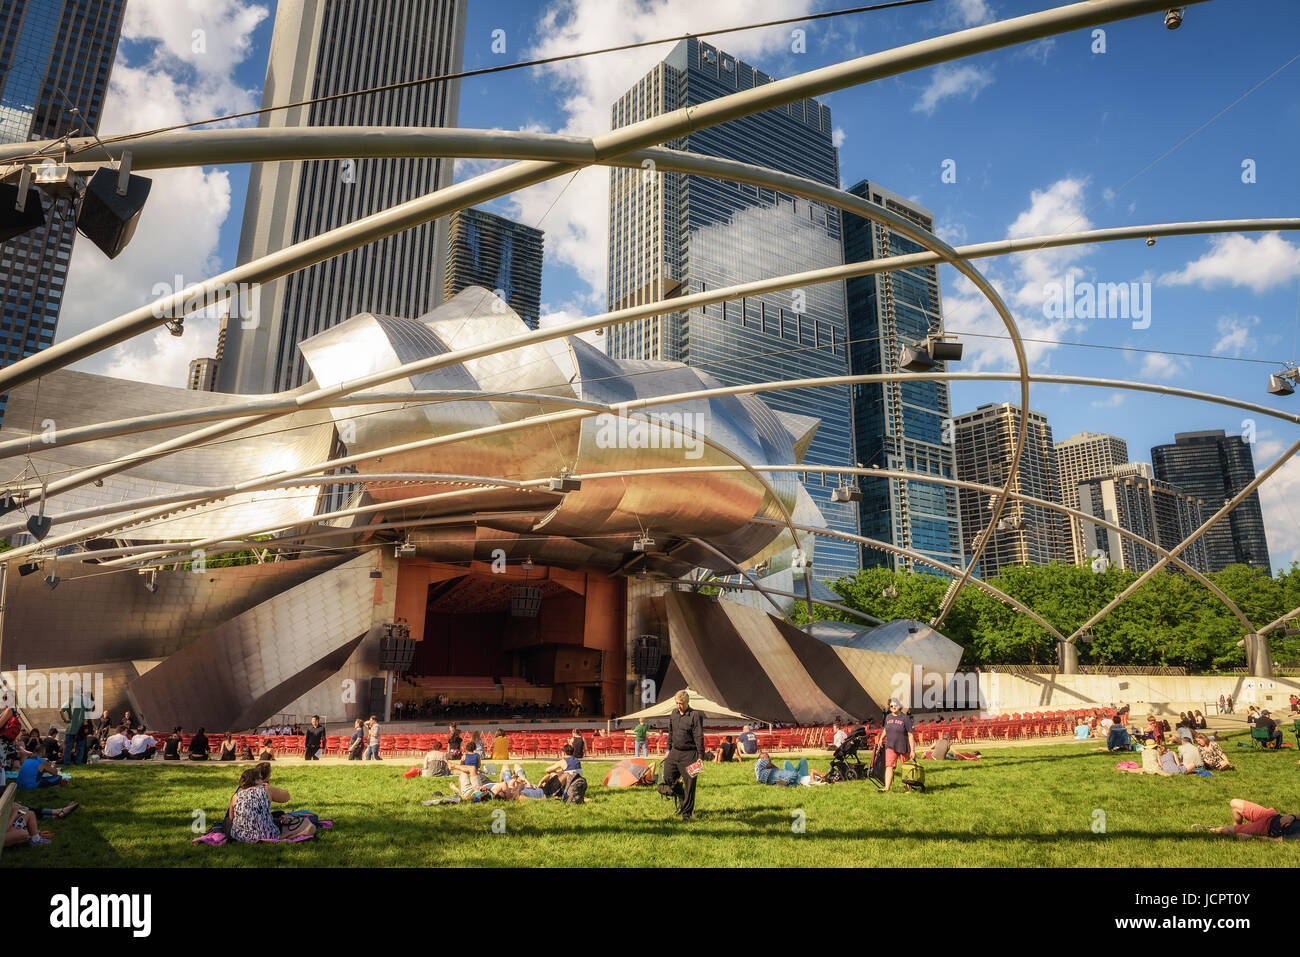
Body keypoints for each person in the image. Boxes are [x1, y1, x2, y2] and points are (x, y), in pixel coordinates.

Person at [658, 690, 705, 821]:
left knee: (690, 784)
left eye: (681, 703)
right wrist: (668, 750)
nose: (679, 706)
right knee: (667, 777)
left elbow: (699, 736)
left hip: (691, 753)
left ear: (687, 702)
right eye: (677, 703)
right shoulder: (673, 713)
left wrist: (701, 756)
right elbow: (671, 733)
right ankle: (683, 800)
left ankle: (686, 814)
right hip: (675, 751)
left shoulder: (695, 715)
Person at [228, 765, 292, 843]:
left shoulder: (236, 796)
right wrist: (270, 788)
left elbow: (231, 817)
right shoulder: (266, 789)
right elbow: (286, 797)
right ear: (256, 780)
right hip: (268, 834)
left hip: (242, 837)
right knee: (278, 817)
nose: (263, 781)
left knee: (227, 821)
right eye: (261, 778)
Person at [1194, 799, 1300, 841]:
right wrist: (1292, 816)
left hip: (1266, 828)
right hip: (1271, 815)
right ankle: (1236, 828)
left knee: (1224, 830)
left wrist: (1251, 837)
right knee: (1234, 803)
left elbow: (1278, 840)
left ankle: (1209, 829)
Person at [879, 698, 916, 793]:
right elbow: (885, 729)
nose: (893, 707)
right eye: (891, 706)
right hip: (890, 746)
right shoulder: (888, 717)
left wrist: (912, 750)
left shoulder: (905, 718)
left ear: (899, 706)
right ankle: (886, 788)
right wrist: (881, 738)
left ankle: (908, 788)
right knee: (889, 766)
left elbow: (910, 734)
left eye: (895, 705)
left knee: (906, 767)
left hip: (903, 747)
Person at [59, 685, 93, 766]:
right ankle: (78, 763)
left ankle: (66, 763)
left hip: (71, 726)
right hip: (81, 727)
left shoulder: (70, 700)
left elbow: (61, 710)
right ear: (81, 691)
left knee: (68, 747)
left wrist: (65, 720)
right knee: (80, 747)